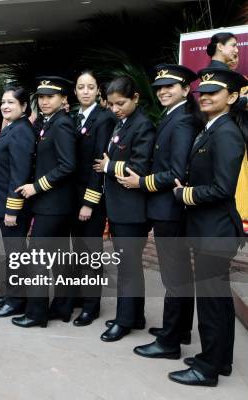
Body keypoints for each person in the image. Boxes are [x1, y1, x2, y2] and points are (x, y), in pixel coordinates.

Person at [168, 68, 247, 387]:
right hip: (208, 228)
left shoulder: (226, 132)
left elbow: (222, 188)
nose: (206, 97)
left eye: (215, 93)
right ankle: (221, 359)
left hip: (215, 230)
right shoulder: (213, 128)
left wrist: (183, 193)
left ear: (231, 97)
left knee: (212, 301)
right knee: (218, 300)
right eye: (204, 92)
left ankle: (207, 368)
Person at [121, 65, 201, 358]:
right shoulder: (174, 116)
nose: (163, 92)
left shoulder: (182, 121)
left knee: (174, 277)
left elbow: (176, 172)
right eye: (159, 87)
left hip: (170, 209)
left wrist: (141, 182)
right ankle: (179, 330)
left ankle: (169, 342)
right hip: (166, 208)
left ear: (185, 89)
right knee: (178, 274)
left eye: (170, 86)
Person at [93, 76, 156, 341]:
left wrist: (108, 166)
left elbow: (139, 168)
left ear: (136, 99)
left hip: (132, 210)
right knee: (129, 266)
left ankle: (124, 320)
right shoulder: (123, 123)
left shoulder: (142, 126)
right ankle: (136, 315)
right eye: (111, 104)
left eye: (121, 103)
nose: (116, 109)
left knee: (128, 267)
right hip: (120, 205)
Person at [14, 76, 77, 327]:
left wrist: (36, 186)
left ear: (63, 99)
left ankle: (36, 314)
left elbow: (67, 165)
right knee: (59, 258)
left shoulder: (61, 124)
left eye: (50, 96)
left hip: (53, 203)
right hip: (55, 204)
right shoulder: (49, 122)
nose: (44, 101)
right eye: (41, 97)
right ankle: (62, 307)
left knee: (36, 258)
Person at [69, 70, 116, 327]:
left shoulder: (104, 118)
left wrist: (89, 202)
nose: (85, 91)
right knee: (78, 251)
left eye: (90, 87)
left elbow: (99, 164)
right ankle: (78, 296)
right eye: (81, 87)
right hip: (72, 196)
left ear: (98, 91)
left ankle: (91, 306)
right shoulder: (75, 117)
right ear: (75, 91)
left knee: (91, 253)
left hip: (91, 198)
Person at [0, 85, 35, 318]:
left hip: (13, 206)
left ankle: (16, 301)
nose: (5, 106)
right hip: (5, 203)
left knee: (15, 253)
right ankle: (15, 296)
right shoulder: (12, 128)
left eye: (11, 103)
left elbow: (19, 173)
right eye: (3, 102)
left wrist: (12, 209)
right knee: (13, 252)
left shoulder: (21, 131)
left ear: (24, 106)